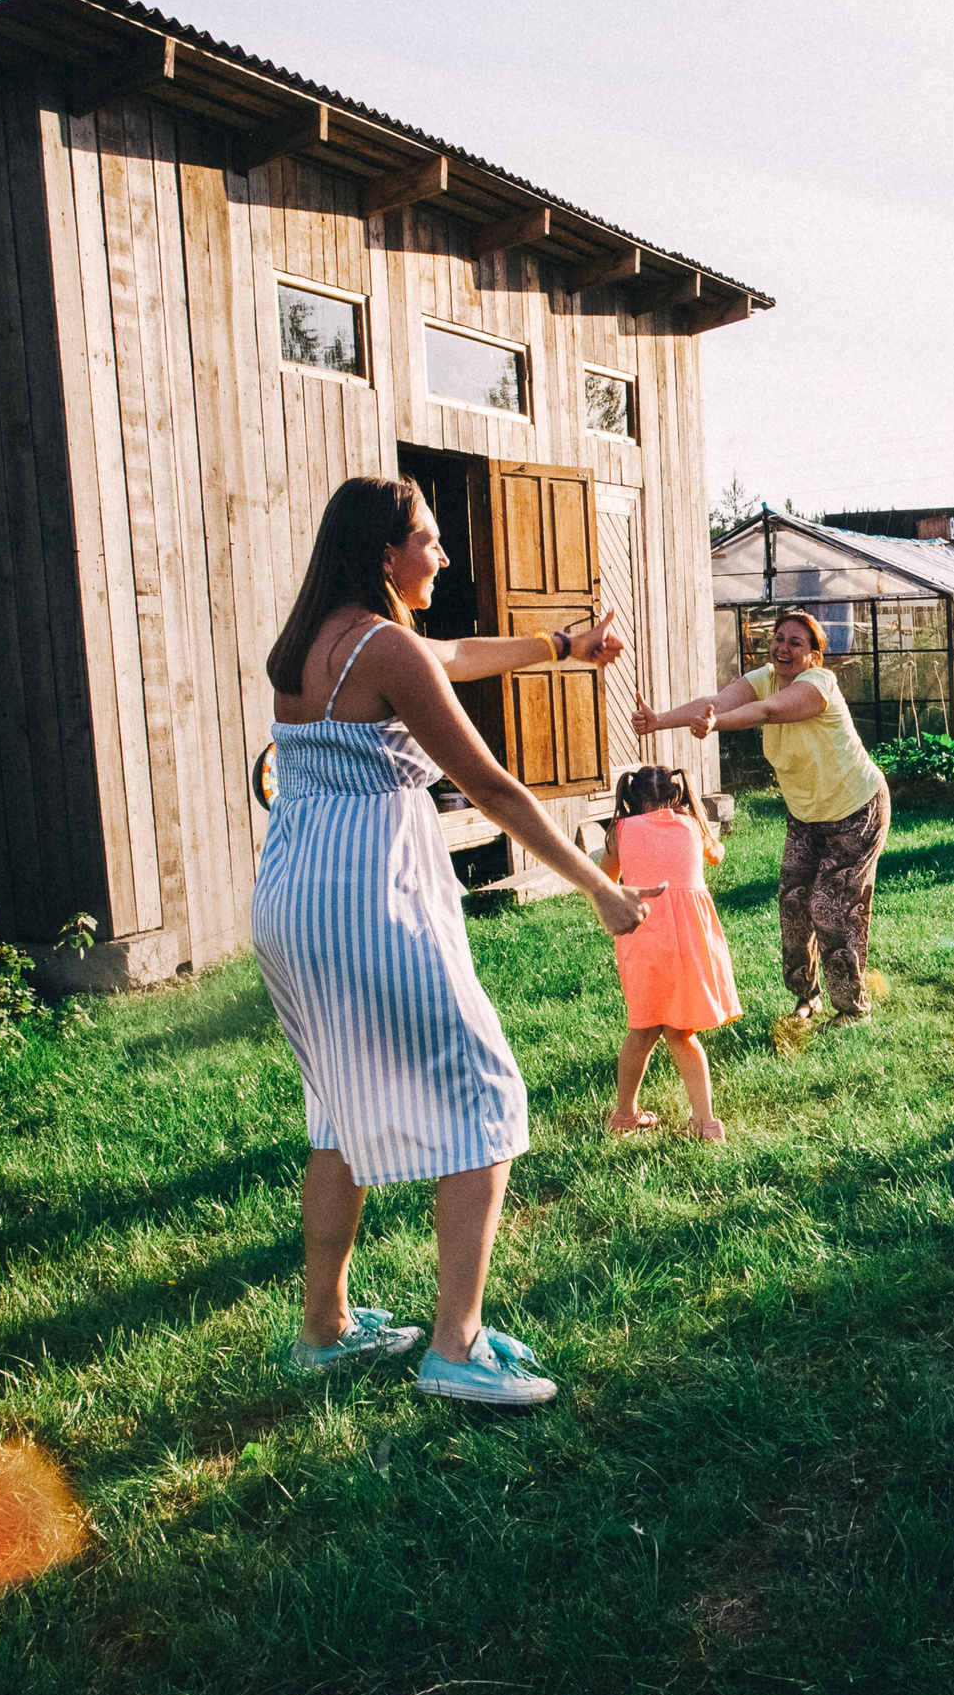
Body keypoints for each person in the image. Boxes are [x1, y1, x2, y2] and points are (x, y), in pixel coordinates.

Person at [255, 475, 661, 1407]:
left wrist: (563, 645)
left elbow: (458, 652)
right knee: (486, 1096)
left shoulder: (310, 645)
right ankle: (457, 1345)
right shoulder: (385, 646)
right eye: (429, 541)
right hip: (368, 904)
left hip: (290, 904)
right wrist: (599, 885)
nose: (443, 555)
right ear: (383, 554)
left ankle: (322, 1331)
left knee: (336, 1112)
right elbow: (497, 789)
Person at [636, 610, 891, 1024]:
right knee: (793, 905)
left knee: (829, 907)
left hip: (856, 809)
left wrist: (714, 725)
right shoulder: (764, 677)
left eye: (796, 643)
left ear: (813, 655)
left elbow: (769, 712)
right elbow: (714, 703)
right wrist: (659, 721)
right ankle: (807, 998)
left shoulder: (818, 684)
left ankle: (852, 1007)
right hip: (806, 815)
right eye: (778, 638)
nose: (783, 648)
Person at [602, 764, 742, 1139]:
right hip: (688, 937)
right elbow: (717, 855)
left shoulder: (620, 831)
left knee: (643, 1029)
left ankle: (624, 1116)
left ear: (632, 800)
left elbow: (606, 881)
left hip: (642, 935)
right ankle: (705, 1122)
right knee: (681, 1033)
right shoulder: (692, 825)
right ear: (676, 795)